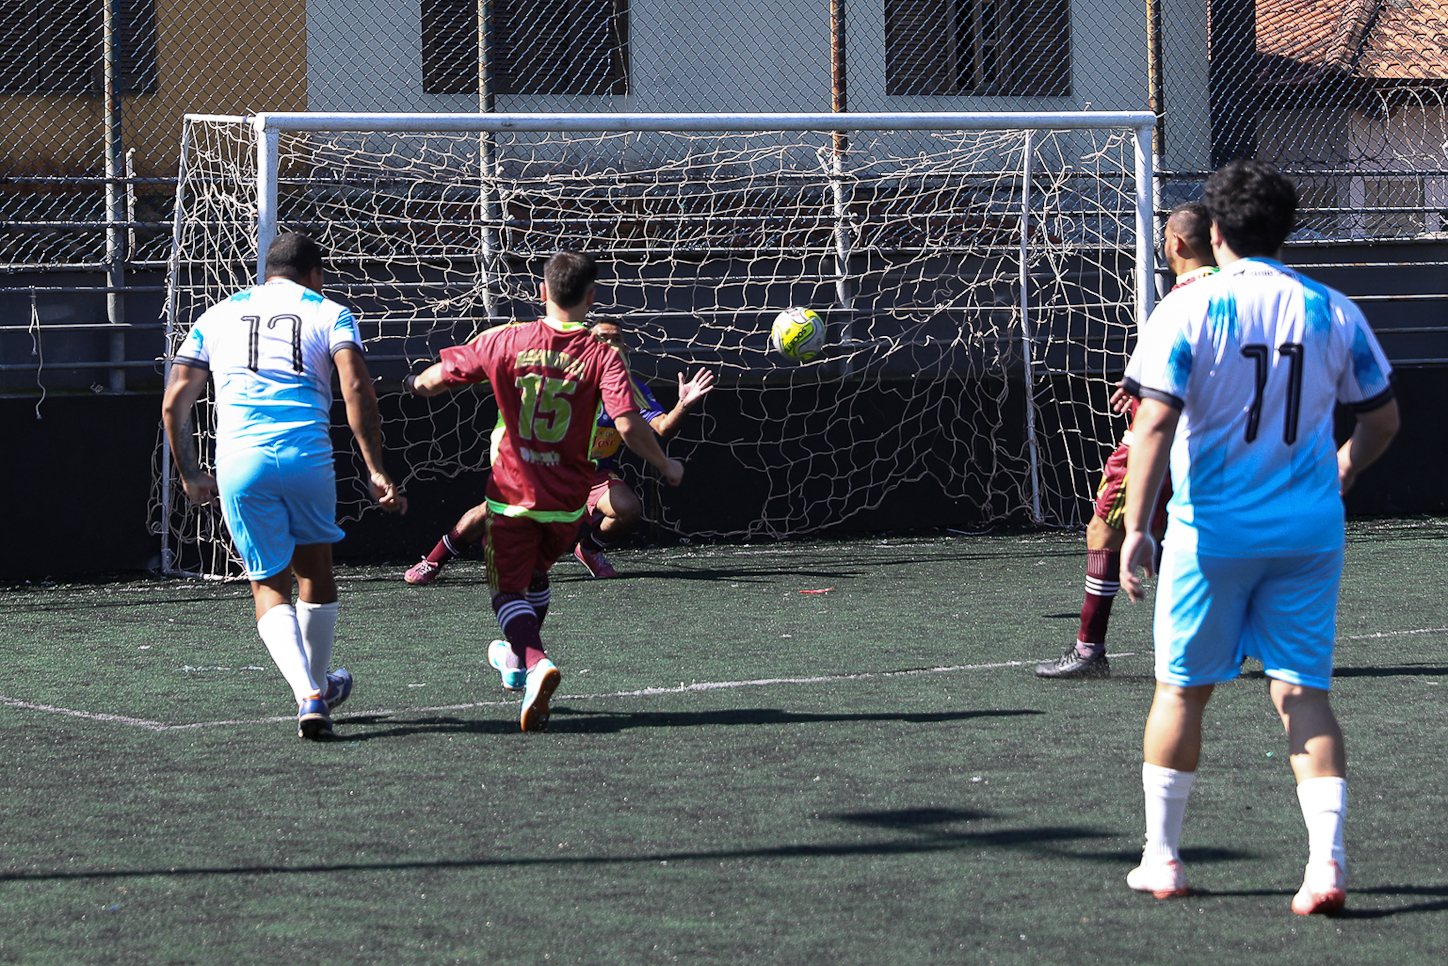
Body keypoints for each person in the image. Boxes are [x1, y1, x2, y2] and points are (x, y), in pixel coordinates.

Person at [1118, 161, 1399, 914]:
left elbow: (1151, 422)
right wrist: (1341, 466)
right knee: (1303, 693)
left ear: (1213, 232)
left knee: (1182, 689)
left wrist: (1137, 528)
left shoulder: (1188, 309)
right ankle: (1326, 867)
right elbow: (1382, 420)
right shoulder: (1331, 309)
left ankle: (1164, 859)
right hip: (1309, 533)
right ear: (1288, 228)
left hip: (1212, 534)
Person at [403, 250, 684, 731]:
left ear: (542, 292)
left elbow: (434, 380)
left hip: (514, 490)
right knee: (535, 579)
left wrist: (414, 383)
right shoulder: (604, 355)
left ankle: (535, 662)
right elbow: (628, 423)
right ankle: (516, 663)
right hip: (569, 502)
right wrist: (664, 464)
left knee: (505, 587)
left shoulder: (507, 339)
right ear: (591, 298)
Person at [161, 232, 407, 741]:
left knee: (268, 584)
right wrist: (375, 466)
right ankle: (315, 689)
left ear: (266, 272)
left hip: (239, 462)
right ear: (314, 274)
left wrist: (188, 472)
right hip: (306, 458)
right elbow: (357, 387)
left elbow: (174, 403)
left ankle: (309, 694)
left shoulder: (217, 314)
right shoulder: (330, 312)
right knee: (315, 571)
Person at [1037, 202, 1218, 679]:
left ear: (1176, 244)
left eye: (1164, 238)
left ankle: (1089, 650)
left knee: (1104, 532)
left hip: (1155, 443)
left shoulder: (1177, 303)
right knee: (1205, 539)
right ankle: (1232, 641)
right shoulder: (1235, 292)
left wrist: (1138, 389)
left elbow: (1153, 381)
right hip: (1220, 443)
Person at [403, 318, 714, 584]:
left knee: (628, 507)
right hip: (543, 468)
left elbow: (663, 428)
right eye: (602, 339)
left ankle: (589, 549)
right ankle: (433, 561)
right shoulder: (560, 378)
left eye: (617, 340)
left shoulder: (629, 387)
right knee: (491, 514)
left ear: (626, 349)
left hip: (591, 476)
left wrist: (683, 406)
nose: (610, 345)